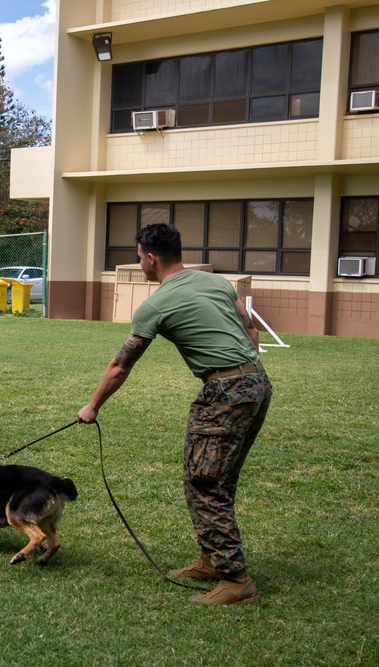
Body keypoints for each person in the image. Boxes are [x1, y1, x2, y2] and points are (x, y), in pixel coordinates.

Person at [77, 223, 272, 605]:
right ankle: (212, 560)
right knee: (219, 478)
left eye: (139, 257)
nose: (140, 263)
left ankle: (236, 581)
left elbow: (121, 364)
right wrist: (243, 372)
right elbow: (250, 332)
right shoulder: (217, 284)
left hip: (225, 392)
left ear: (150, 257)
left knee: (204, 482)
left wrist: (92, 406)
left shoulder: (155, 304)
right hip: (257, 384)